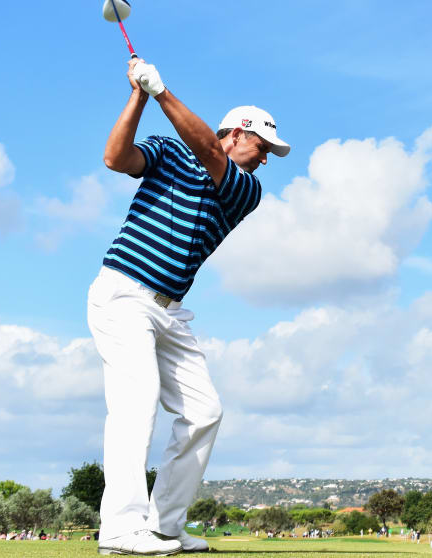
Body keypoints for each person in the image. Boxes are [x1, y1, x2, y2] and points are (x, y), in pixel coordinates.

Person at [89, 58, 288, 557]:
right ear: (239, 133)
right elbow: (116, 159)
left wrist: (162, 91)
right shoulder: (166, 151)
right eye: (263, 148)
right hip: (123, 293)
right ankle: (119, 530)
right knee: (136, 404)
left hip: (169, 310)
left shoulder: (246, 190)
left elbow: (206, 150)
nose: (265, 160)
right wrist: (139, 94)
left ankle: (163, 527)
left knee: (204, 411)